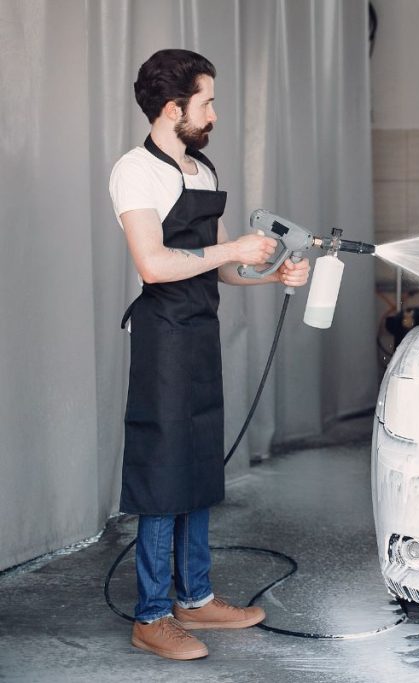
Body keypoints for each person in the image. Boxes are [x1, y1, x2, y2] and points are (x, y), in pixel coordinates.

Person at [109, 49, 309, 661]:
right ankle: (151, 615)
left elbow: (223, 268)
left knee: (197, 467)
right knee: (162, 472)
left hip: (199, 334)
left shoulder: (200, 170)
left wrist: (271, 275)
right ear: (175, 109)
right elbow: (155, 263)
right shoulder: (135, 174)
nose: (215, 114)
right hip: (163, 338)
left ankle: (195, 598)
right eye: (208, 102)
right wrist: (234, 252)